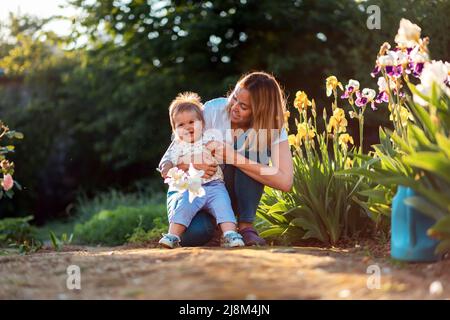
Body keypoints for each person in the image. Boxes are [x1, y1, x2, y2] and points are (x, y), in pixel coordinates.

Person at [159, 71, 294, 246]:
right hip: (194, 191)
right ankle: (218, 228)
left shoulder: (271, 127)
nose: (234, 107)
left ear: (260, 112)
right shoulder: (212, 110)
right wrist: (191, 163)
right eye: (234, 97)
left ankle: (245, 227)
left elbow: (285, 181)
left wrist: (232, 157)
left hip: (222, 192)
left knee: (252, 145)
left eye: (243, 106)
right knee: (195, 234)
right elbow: (172, 156)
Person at [158, 92, 244, 248]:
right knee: (183, 207)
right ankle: (172, 235)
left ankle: (231, 234)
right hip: (190, 188)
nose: (187, 127)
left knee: (224, 206)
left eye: (192, 122)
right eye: (181, 125)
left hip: (214, 186)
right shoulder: (176, 146)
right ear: (174, 130)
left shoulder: (209, 139)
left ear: (202, 123)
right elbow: (165, 164)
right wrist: (169, 168)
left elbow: (222, 150)